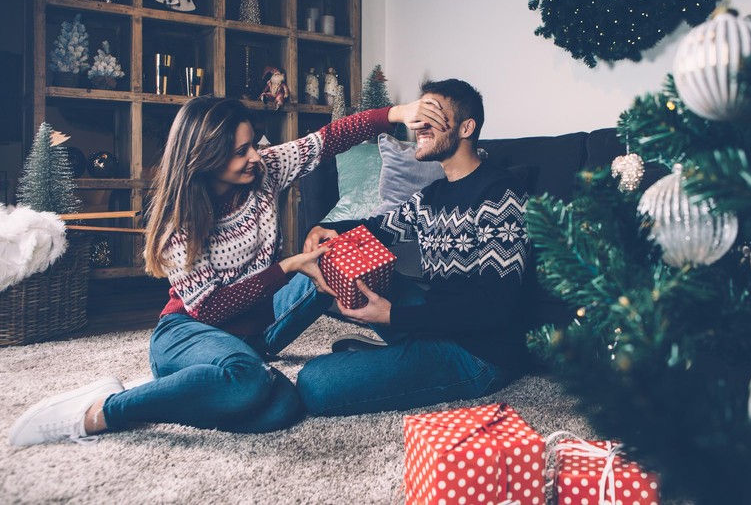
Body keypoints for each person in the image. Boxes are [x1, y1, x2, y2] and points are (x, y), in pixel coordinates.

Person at [9, 95, 448, 446]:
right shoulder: (177, 222)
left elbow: (328, 138)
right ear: (205, 155)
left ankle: (209, 383)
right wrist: (291, 265)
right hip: (189, 331)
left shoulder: (265, 171)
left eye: (254, 143)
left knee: (280, 409)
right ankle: (102, 409)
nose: (256, 156)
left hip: (257, 332)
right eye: (241, 151)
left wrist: (396, 113)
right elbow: (211, 310)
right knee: (248, 381)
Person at [300, 78, 533, 415]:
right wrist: (325, 228)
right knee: (334, 252)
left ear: (466, 127)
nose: (420, 125)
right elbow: (376, 230)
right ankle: (259, 348)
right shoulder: (431, 196)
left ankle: (398, 359)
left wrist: (394, 315)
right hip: (435, 320)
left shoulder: (500, 195)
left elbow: (496, 307)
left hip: (479, 353)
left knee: (314, 384)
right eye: (419, 115)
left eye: (433, 115)